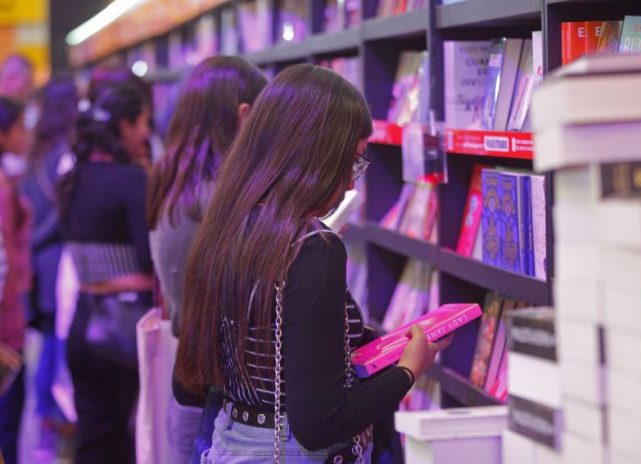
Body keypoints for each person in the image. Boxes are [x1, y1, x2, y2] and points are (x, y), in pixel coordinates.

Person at [175, 64, 452, 464]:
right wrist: (408, 370)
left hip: (229, 442)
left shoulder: (225, 227)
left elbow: (187, 384)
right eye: (352, 162)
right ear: (316, 156)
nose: (352, 184)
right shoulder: (312, 247)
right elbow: (320, 422)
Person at [147, 56, 267, 464]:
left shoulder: (172, 178)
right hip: (222, 386)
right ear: (244, 114)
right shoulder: (224, 197)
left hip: (190, 368)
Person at [59, 83, 152, 464]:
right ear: (126, 126)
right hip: (123, 326)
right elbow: (149, 261)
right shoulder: (132, 181)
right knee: (125, 441)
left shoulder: (73, 178)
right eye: (144, 122)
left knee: (94, 439)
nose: (148, 133)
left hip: (82, 322)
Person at [21, 74, 79, 453]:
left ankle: (46, 415)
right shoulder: (64, 151)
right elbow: (62, 215)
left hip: (36, 262)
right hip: (55, 260)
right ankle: (55, 416)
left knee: (46, 339)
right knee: (57, 341)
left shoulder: (35, 149)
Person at [0, 97, 32, 464]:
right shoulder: (4, 189)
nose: (26, 135)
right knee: (7, 424)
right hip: (6, 329)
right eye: (21, 127)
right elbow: (3, 263)